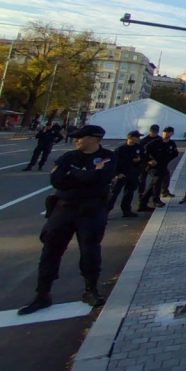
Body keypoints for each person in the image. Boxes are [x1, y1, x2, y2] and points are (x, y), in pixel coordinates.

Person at [18, 125, 115, 315]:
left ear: (94, 138)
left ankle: (90, 290)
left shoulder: (108, 156)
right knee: (50, 250)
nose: (76, 140)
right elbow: (57, 180)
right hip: (64, 208)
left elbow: (101, 178)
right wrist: (86, 175)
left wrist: (76, 174)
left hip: (91, 210)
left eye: (80, 137)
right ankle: (42, 294)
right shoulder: (68, 157)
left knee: (90, 251)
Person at [108, 130, 144, 218]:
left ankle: (126, 210)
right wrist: (116, 174)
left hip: (133, 173)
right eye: (137, 137)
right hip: (122, 174)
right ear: (130, 138)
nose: (139, 139)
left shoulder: (139, 148)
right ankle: (106, 211)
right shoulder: (120, 149)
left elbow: (143, 158)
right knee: (114, 193)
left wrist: (139, 162)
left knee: (129, 193)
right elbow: (113, 163)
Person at [140, 127, 178, 208]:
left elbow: (175, 153)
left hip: (163, 166)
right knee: (156, 181)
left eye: (168, 132)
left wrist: (167, 159)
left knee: (155, 183)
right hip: (153, 166)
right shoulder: (155, 142)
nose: (166, 134)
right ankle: (156, 200)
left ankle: (143, 202)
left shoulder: (171, 143)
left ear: (172, 133)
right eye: (165, 132)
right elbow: (143, 152)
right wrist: (149, 160)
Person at [135, 125, 161, 212]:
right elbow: (141, 153)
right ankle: (141, 195)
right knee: (142, 179)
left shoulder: (159, 139)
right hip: (144, 163)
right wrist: (147, 161)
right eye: (153, 131)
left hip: (155, 164)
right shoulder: (144, 141)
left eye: (155, 131)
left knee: (156, 179)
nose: (154, 133)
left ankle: (153, 197)